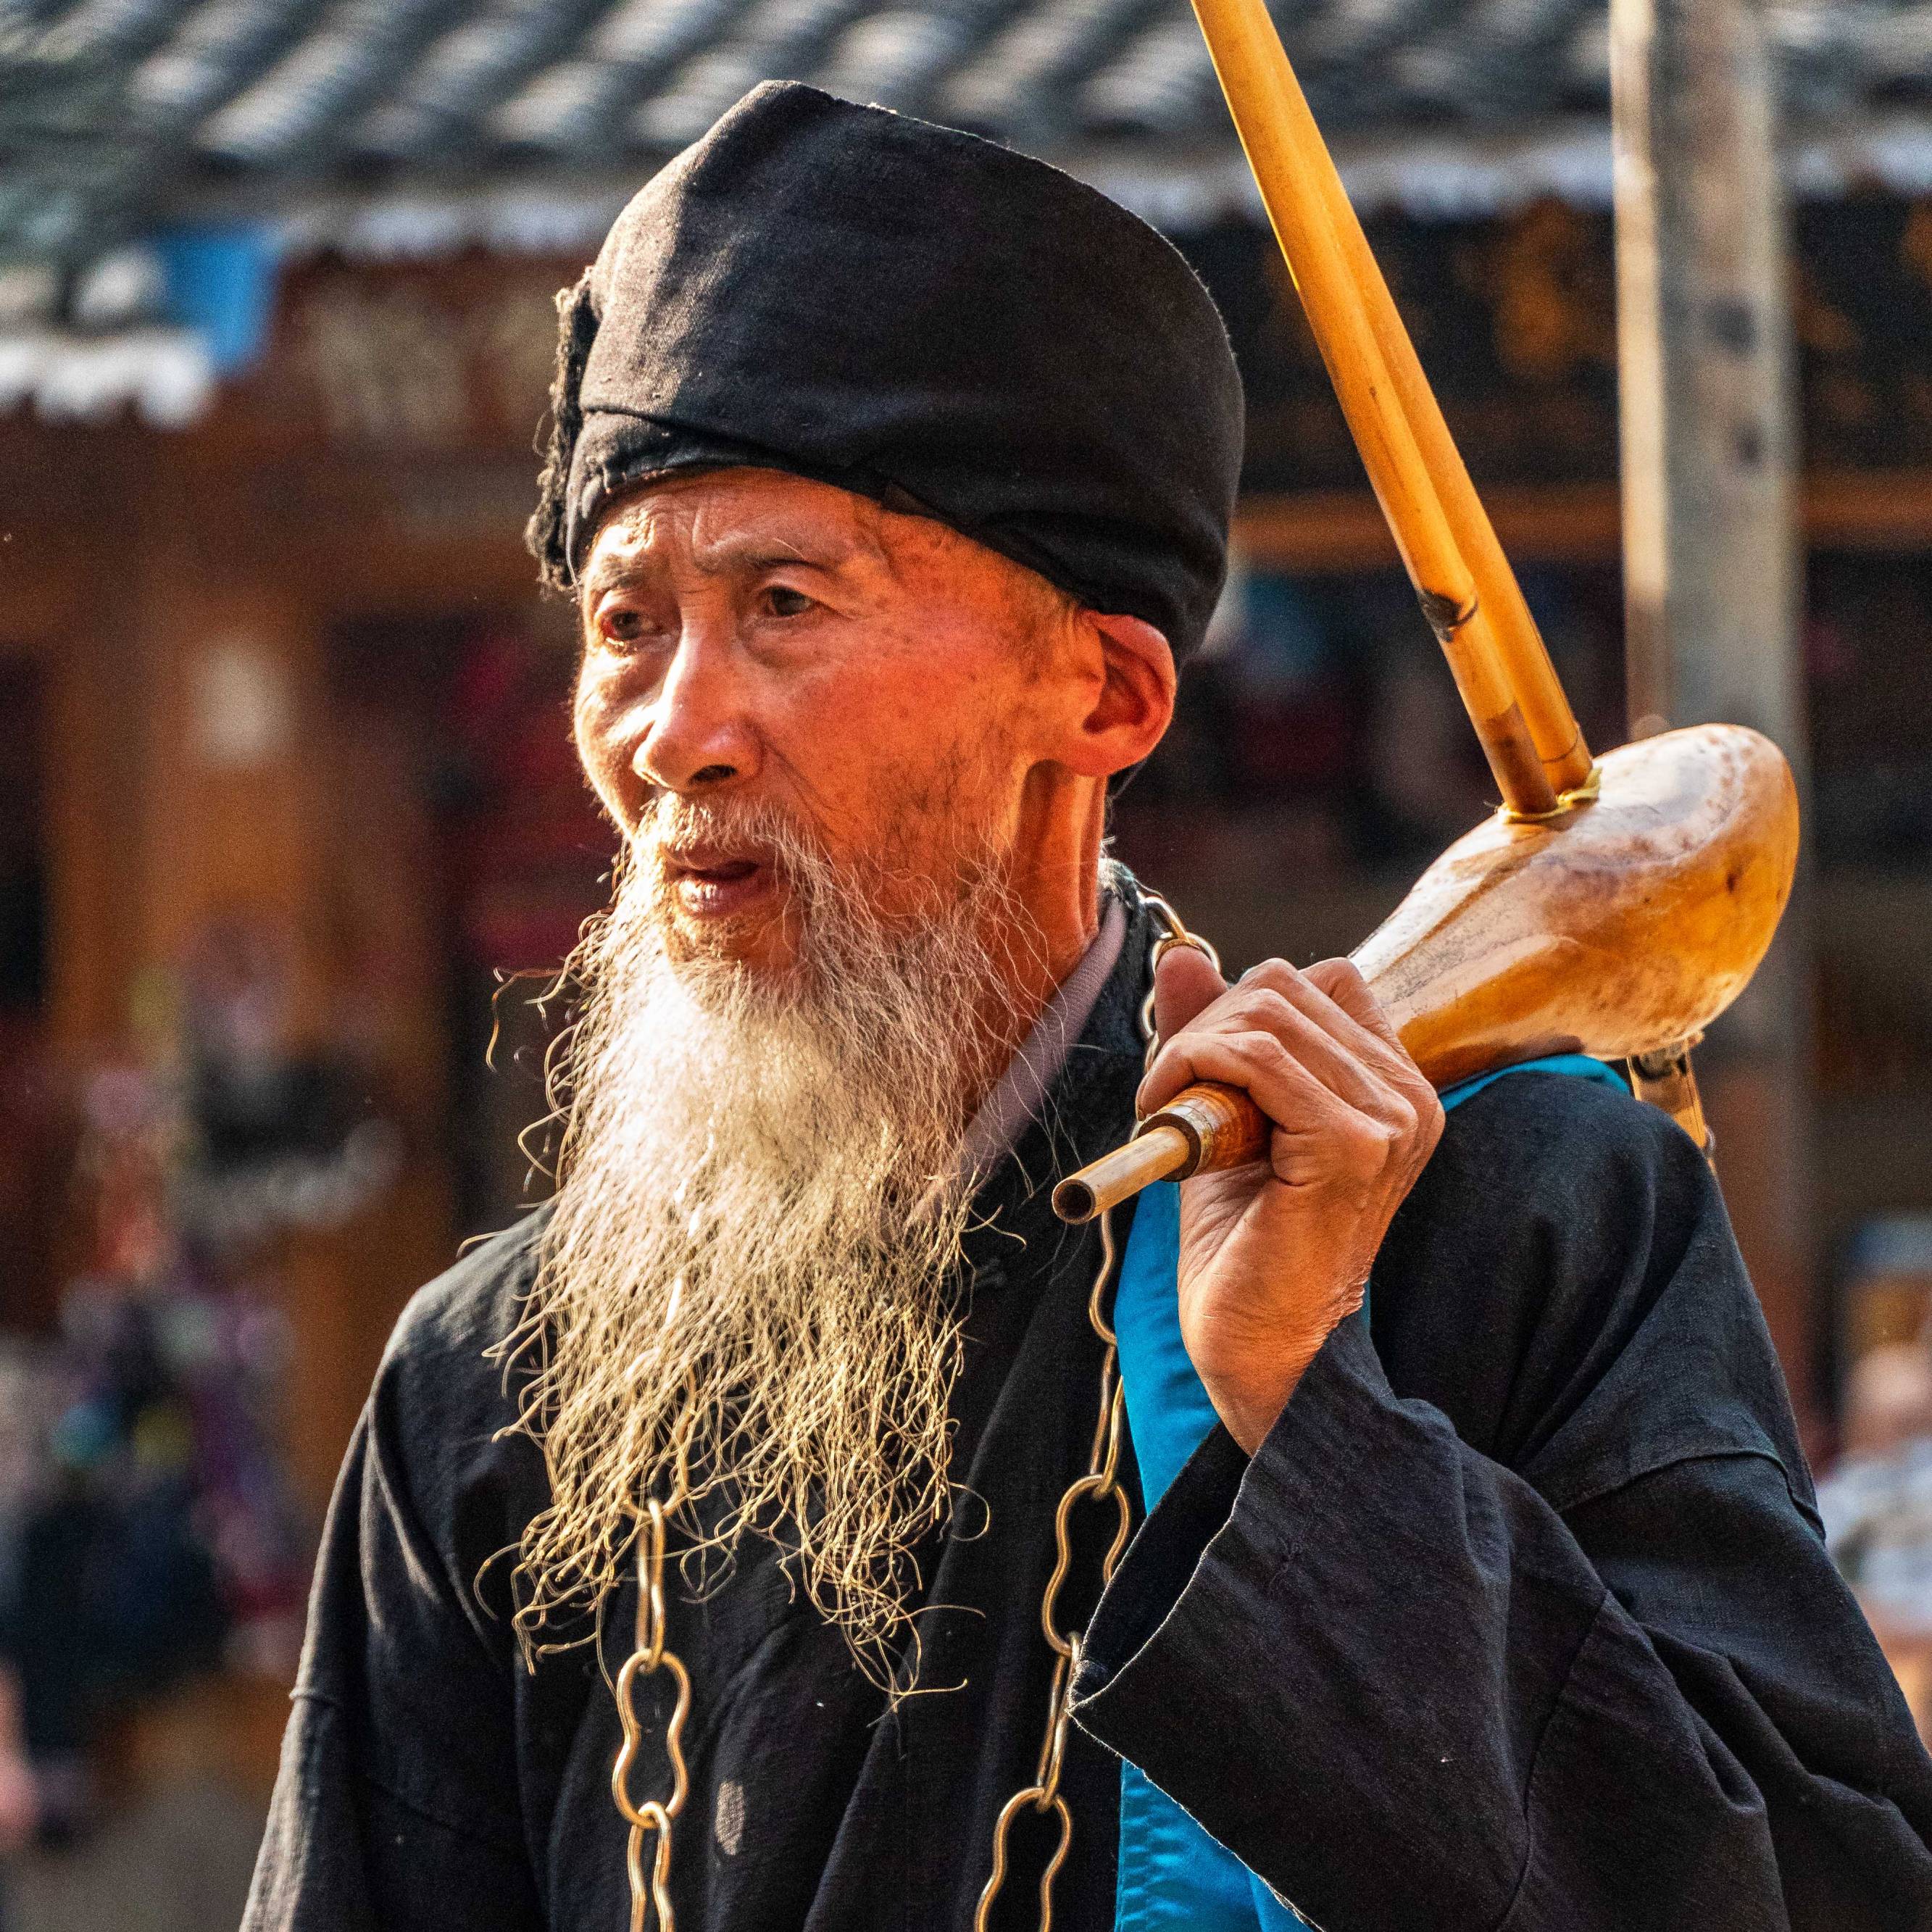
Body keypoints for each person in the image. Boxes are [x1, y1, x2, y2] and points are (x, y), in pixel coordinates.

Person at [243, 82, 1932, 1932]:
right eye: (627, 625)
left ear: (1109, 697)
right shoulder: (496, 1378)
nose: (671, 733)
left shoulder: (1501, 1221)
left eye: (784, 603)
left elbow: (1810, 1897)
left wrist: (1302, 1411)